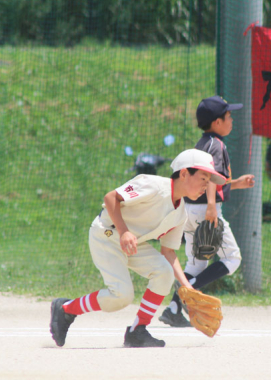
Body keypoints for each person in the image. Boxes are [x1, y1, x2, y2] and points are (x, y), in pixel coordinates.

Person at [49, 148, 226, 348]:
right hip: (106, 234)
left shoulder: (180, 214)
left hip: (133, 244)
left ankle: (137, 331)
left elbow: (168, 251)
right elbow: (110, 198)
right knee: (122, 296)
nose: (206, 185)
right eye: (203, 178)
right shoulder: (153, 185)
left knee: (164, 272)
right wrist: (124, 231)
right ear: (184, 173)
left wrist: (187, 286)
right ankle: (66, 309)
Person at [159, 95, 255, 327]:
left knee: (196, 265)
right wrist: (212, 205)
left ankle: (173, 308)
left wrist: (237, 183)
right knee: (232, 259)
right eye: (228, 116)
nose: (232, 120)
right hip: (205, 211)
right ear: (216, 122)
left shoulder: (203, 143)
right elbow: (210, 178)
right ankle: (189, 293)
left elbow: (211, 179)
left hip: (190, 210)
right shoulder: (217, 145)